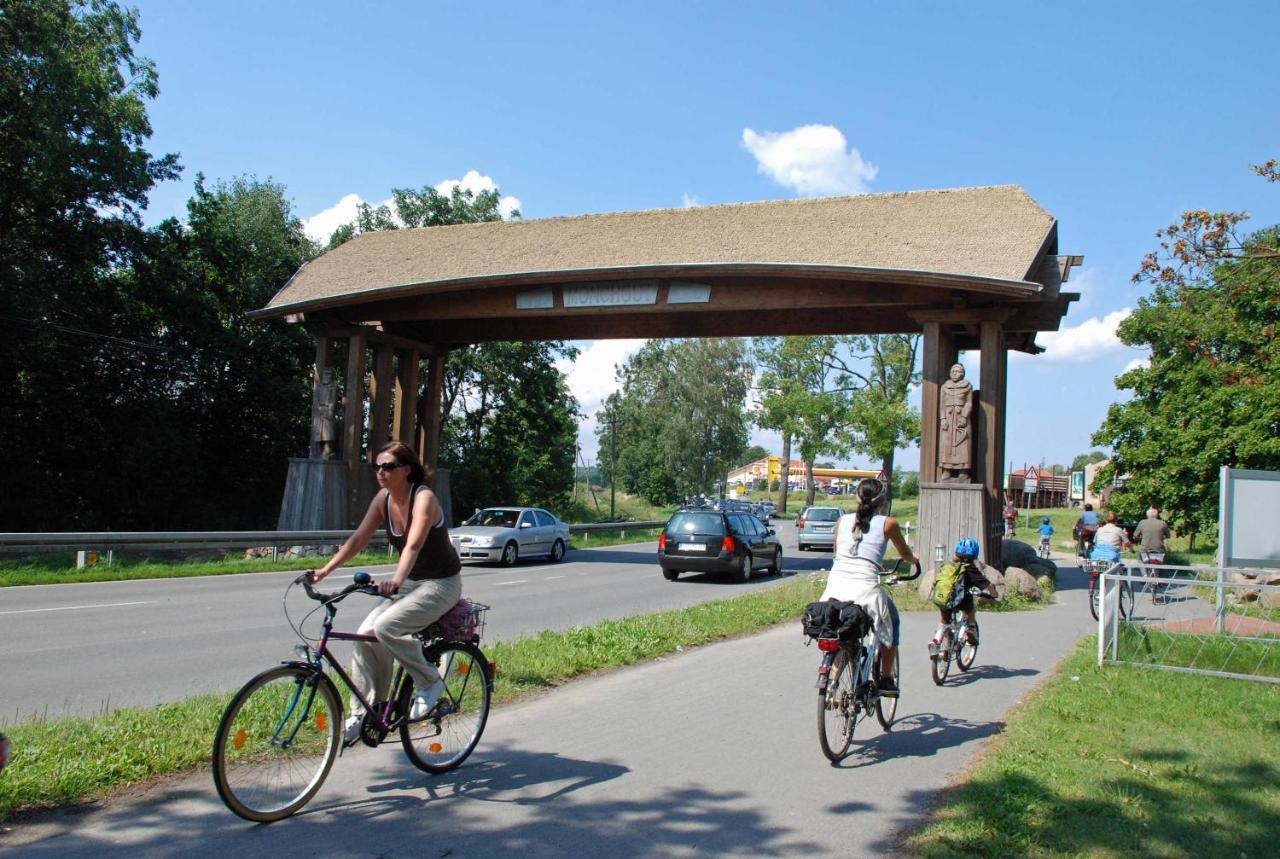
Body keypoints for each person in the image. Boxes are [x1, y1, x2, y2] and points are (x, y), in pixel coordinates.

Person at [309, 441, 462, 744]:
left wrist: (395, 580)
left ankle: (430, 681)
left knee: (386, 626)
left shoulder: (424, 498)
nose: (380, 471)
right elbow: (358, 539)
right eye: (377, 466)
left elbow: (414, 545)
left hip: (441, 583)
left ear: (406, 470)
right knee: (365, 634)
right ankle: (367, 709)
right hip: (411, 581)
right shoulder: (383, 499)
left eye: (387, 466)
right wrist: (325, 571)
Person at [819, 477, 918, 694]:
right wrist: (914, 559)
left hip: (834, 589)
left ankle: (832, 680)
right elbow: (905, 553)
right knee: (891, 622)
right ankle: (886, 678)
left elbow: (837, 554)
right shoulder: (888, 523)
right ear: (882, 501)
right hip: (865, 591)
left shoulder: (841, 521)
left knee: (841, 630)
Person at [930, 538, 998, 647]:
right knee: (970, 608)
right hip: (960, 600)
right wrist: (994, 594)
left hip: (941, 598)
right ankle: (970, 629)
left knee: (944, 620)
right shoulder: (970, 569)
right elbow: (986, 584)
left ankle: (936, 640)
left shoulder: (949, 565)